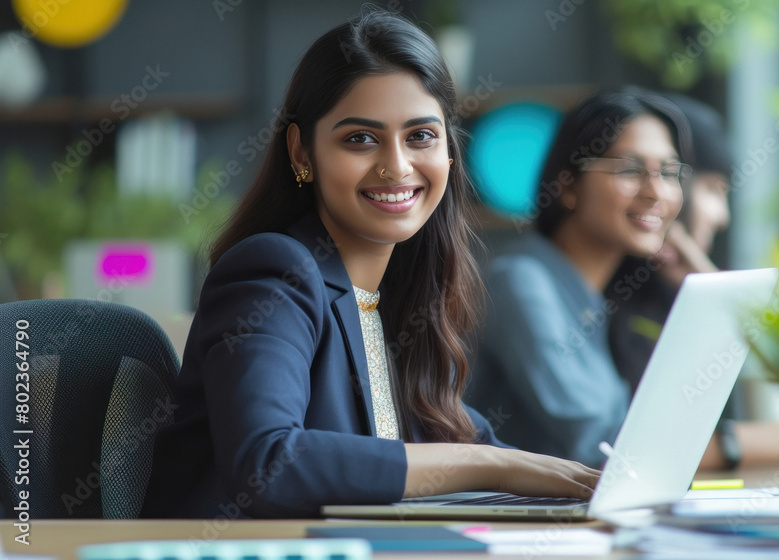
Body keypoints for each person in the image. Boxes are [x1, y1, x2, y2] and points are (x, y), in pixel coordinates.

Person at [140, 9, 598, 519]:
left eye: (420, 136)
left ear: (449, 150)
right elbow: (268, 462)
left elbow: (475, 445)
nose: (396, 166)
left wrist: (594, 487)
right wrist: (487, 464)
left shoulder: (400, 300)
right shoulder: (273, 272)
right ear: (302, 152)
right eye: (360, 138)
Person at [465, 90, 690, 468]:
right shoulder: (521, 281)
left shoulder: (605, 297)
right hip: (506, 522)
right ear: (568, 185)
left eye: (669, 173)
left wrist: (695, 290)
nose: (656, 192)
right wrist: (750, 443)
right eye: (630, 170)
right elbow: (604, 445)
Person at [603, 93, 779, 471]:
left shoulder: (676, 290)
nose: (721, 217)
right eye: (711, 190)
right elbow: (627, 450)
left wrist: (709, 289)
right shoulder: (603, 298)